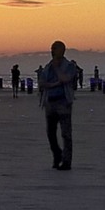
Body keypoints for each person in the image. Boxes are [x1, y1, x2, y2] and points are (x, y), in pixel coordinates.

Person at [37, 40, 80, 170]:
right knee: (50, 133)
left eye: (54, 49)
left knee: (66, 133)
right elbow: (42, 83)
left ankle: (67, 161)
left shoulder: (69, 66)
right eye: (52, 48)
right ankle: (57, 154)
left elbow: (65, 79)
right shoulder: (47, 66)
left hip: (63, 102)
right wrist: (54, 84)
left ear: (61, 50)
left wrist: (56, 68)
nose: (52, 51)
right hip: (50, 102)